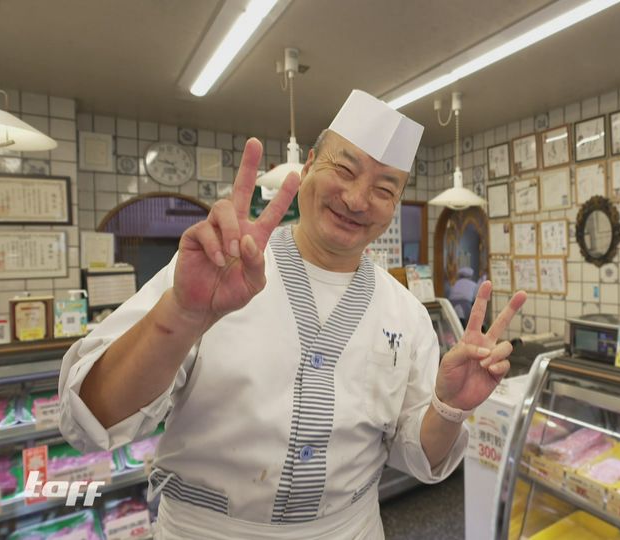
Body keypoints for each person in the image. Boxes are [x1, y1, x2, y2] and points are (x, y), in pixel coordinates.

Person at [57, 90, 527, 539]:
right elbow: (91, 417)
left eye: (385, 190)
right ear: (306, 168)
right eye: (344, 168)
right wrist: (183, 313)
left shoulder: (404, 312)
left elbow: (419, 455)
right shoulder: (217, 267)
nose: (359, 199)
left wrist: (448, 409)